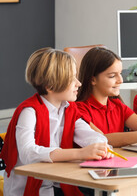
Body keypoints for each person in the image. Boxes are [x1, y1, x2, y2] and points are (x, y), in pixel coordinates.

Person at [0, 48, 110, 196]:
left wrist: (102, 147)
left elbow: (87, 134)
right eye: (72, 79)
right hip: (28, 190)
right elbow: (28, 152)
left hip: (56, 186)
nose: (78, 83)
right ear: (50, 86)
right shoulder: (29, 111)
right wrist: (80, 153)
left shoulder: (69, 109)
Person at [76, 47, 137, 147]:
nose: (120, 80)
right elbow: (102, 139)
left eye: (120, 73)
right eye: (112, 76)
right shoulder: (79, 110)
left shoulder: (118, 106)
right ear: (93, 80)